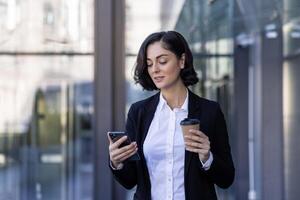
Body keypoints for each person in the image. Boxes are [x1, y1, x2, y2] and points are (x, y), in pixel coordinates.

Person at [108, 31, 234, 200]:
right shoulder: (139, 112)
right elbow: (130, 180)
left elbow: (227, 178)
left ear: (181, 61)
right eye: (150, 63)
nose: (155, 69)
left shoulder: (209, 111)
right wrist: (117, 162)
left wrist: (207, 157)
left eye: (162, 61)